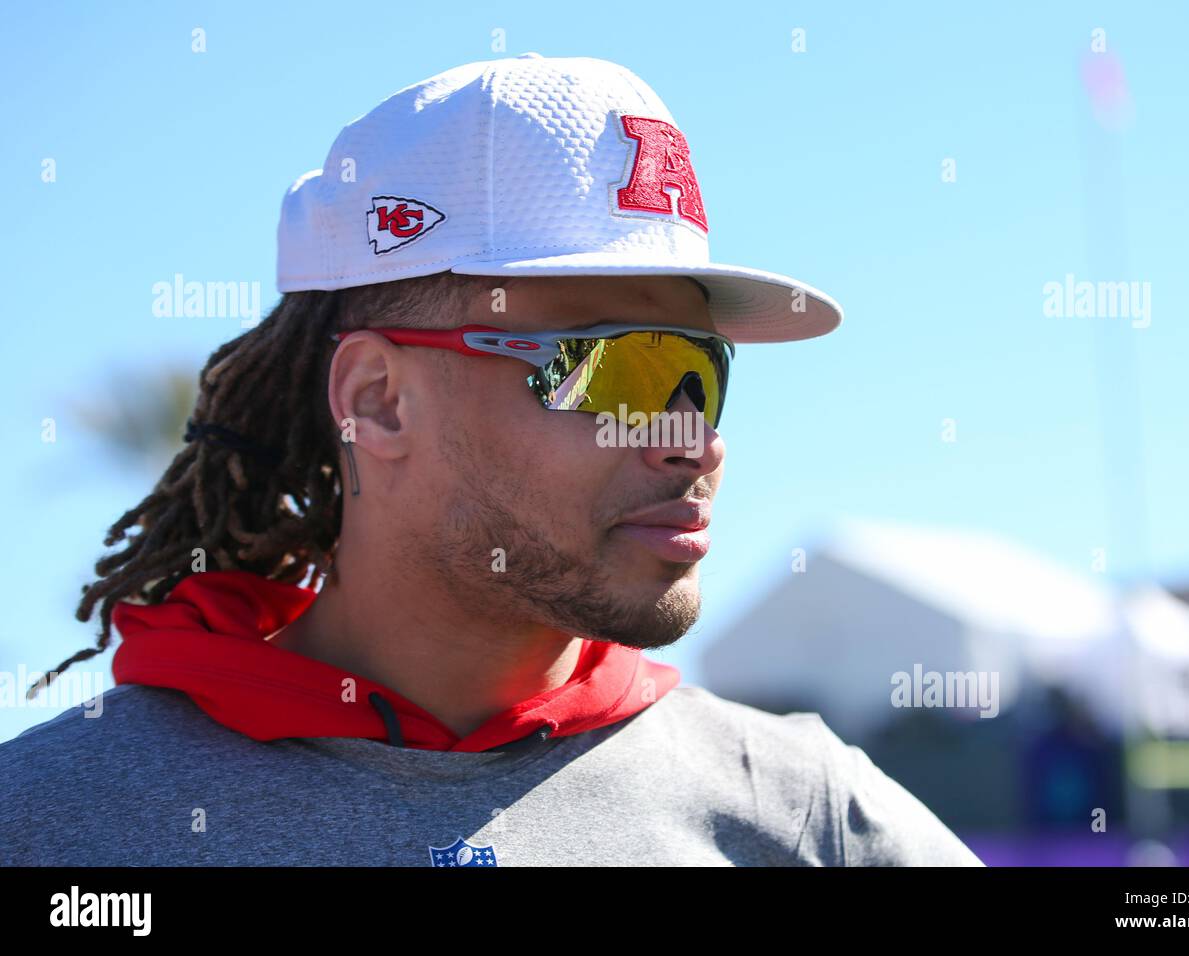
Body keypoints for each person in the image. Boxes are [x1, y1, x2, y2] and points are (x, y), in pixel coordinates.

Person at [0, 53, 982, 867]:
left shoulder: (804, 811)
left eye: (699, 371)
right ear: (378, 401)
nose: (694, 437)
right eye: (614, 367)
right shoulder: (48, 824)